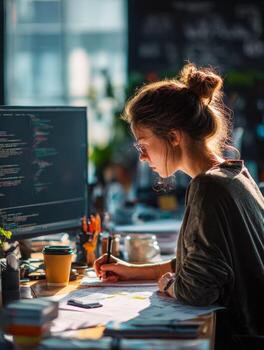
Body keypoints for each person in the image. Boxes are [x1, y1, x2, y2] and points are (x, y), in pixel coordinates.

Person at [94, 63, 264, 349]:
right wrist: (131, 270)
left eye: (143, 144)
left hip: (242, 338)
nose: (142, 157)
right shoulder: (234, 174)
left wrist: (168, 284)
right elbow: (203, 263)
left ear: (173, 136)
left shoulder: (207, 187)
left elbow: (196, 289)